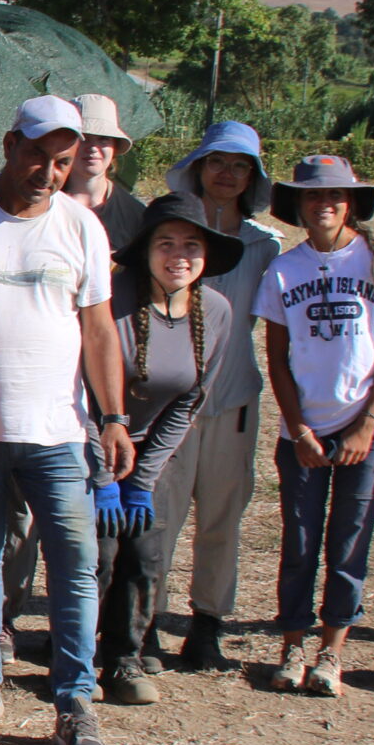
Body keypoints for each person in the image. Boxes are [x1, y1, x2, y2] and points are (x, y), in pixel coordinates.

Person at [0, 97, 136, 745]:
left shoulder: (81, 226)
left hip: (59, 433)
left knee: (75, 568)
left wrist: (112, 415)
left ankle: (74, 703)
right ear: (6, 144)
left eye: (61, 161)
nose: (48, 172)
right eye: (36, 155)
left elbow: (100, 328)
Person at [255, 155, 374, 696]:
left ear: (351, 204)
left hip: (361, 426)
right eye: (311, 196)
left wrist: (368, 424)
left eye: (334, 196)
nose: (323, 205)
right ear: (297, 206)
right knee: (299, 540)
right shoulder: (284, 269)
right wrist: (297, 428)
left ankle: (332, 651)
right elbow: (276, 357)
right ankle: (292, 645)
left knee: (349, 542)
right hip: (303, 429)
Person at [93, 194, 236, 705]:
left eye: (192, 245)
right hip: (96, 441)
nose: (179, 255)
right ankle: (81, 656)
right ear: (146, 250)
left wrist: (143, 478)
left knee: (145, 556)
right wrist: (105, 478)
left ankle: (125, 659)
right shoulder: (112, 298)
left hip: (155, 453)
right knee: (99, 557)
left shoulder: (216, 312)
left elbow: (190, 401)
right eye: (166, 243)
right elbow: (81, 388)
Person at [153, 121, 285, 670]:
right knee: (159, 516)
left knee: (221, 518)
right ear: (198, 168)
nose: (227, 174)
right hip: (167, 402)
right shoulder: (167, 234)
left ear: (252, 177)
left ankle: (207, 622)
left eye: (241, 166)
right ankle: (144, 622)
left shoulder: (264, 247)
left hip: (232, 400)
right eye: (217, 163)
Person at [64, 93, 148, 248]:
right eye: (84, 138)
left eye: (103, 139)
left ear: (114, 147)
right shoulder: (44, 204)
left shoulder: (135, 214)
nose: (93, 148)